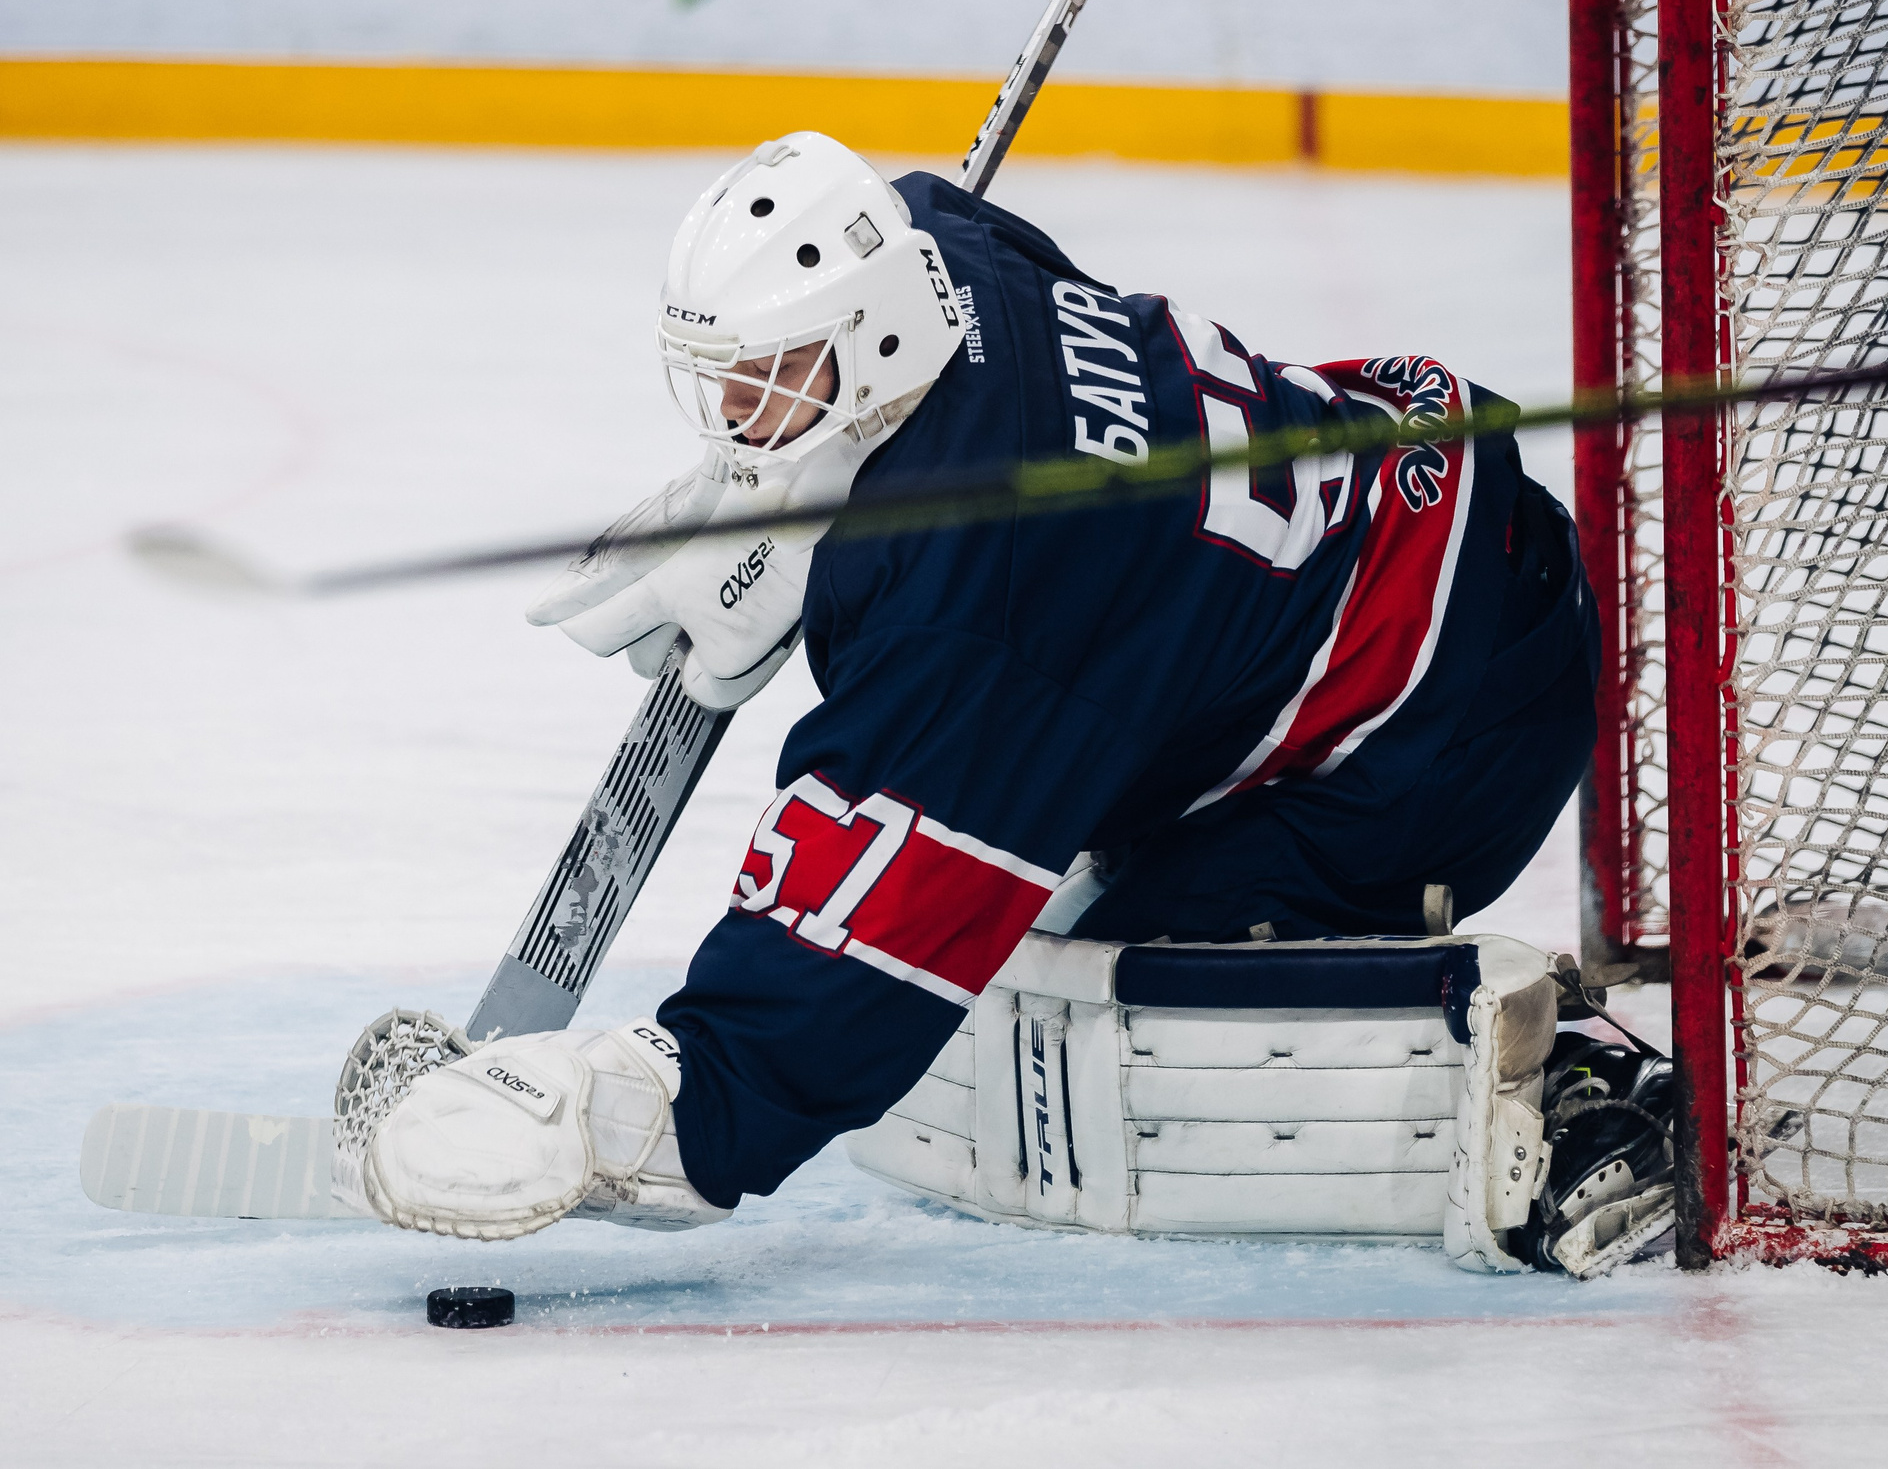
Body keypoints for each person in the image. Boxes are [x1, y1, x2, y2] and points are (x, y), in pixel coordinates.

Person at [357, 134, 1603, 1249]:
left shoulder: (989, 603)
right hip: (1430, 500)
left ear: (873, 340)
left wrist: (644, 1109)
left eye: (766, 376)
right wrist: (799, 506)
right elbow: (973, 301)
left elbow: (867, 930)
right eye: (725, 374)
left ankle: (1575, 1100)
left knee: (1098, 968)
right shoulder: (937, 245)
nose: (733, 410)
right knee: (1050, 869)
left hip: (1451, 724)